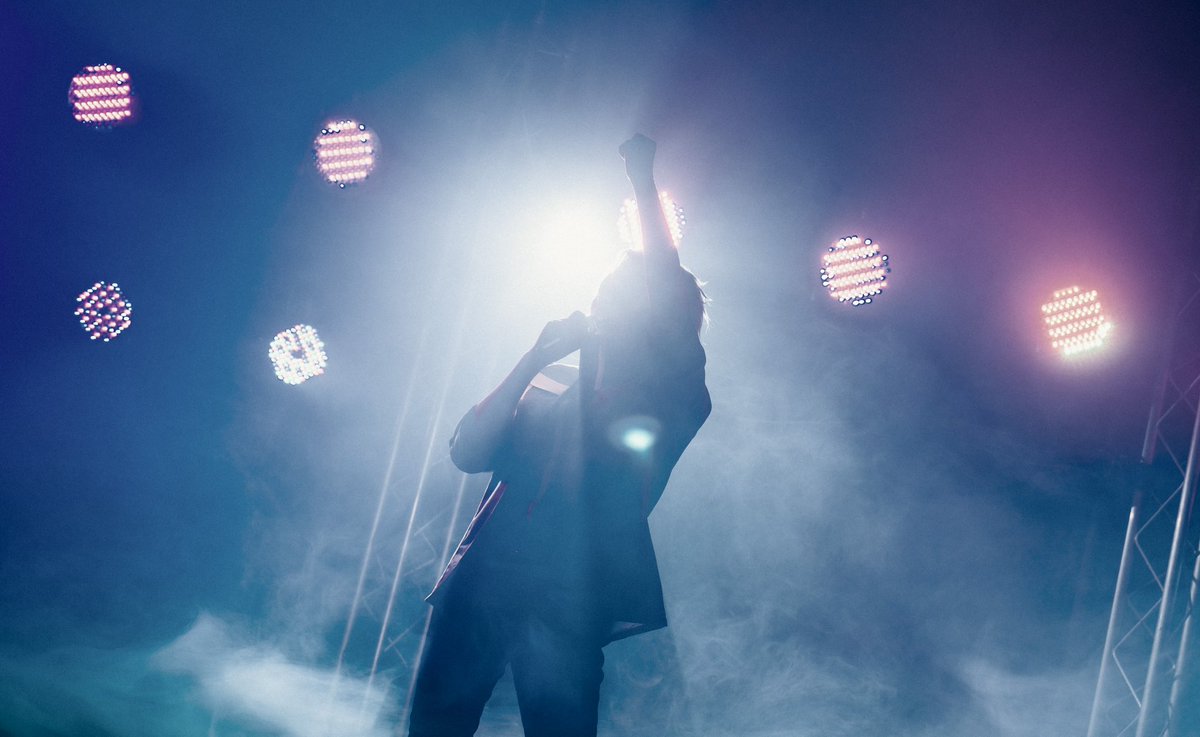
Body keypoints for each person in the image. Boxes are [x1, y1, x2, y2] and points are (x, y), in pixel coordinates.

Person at [408, 134, 711, 737]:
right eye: (601, 295)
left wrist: (642, 179)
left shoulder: (673, 396)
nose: (600, 307)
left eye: (618, 298)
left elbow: (663, 274)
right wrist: (531, 359)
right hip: (482, 584)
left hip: (571, 594)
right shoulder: (551, 383)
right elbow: (467, 452)